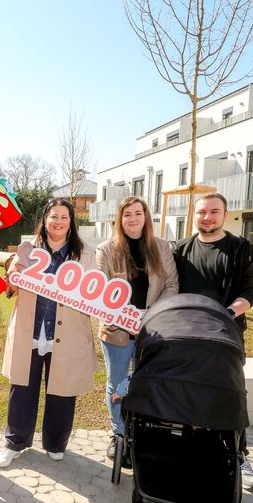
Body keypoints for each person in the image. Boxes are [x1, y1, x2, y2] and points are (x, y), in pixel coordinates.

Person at [0, 198, 97, 468]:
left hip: (68, 332)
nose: (58, 222)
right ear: (45, 219)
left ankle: (56, 442)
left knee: (62, 390)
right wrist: (12, 276)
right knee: (22, 388)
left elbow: (95, 295)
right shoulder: (28, 250)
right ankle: (15, 441)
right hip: (30, 329)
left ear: (71, 222)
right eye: (54, 216)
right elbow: (10, 289)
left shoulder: (85, 254)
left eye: (64, 217)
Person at [174, 192, 253, 489]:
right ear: (194, 215)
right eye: (202, 212)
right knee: (188, 395)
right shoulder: (181, 250)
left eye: (214, 211)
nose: (207, 217)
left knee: (231, 396)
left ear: (225, 215)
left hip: (227, 337)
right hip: (187, 338)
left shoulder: (242, 249)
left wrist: (228, 313)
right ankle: (191, 454)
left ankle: (240, 457)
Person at [96, 196, 178, 462]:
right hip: (117, 330)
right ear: (119, 219)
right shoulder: (106, 250)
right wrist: (121, 315)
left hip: (151, 331)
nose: (132, 219)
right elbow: (100, 291)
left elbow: (172, 285)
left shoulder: (161, 247)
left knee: (146, 383)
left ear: (146, 216)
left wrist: (151, 314)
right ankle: (119, 434)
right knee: (117, 383)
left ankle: (141, 434)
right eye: (127, 214)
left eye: (137, 213)